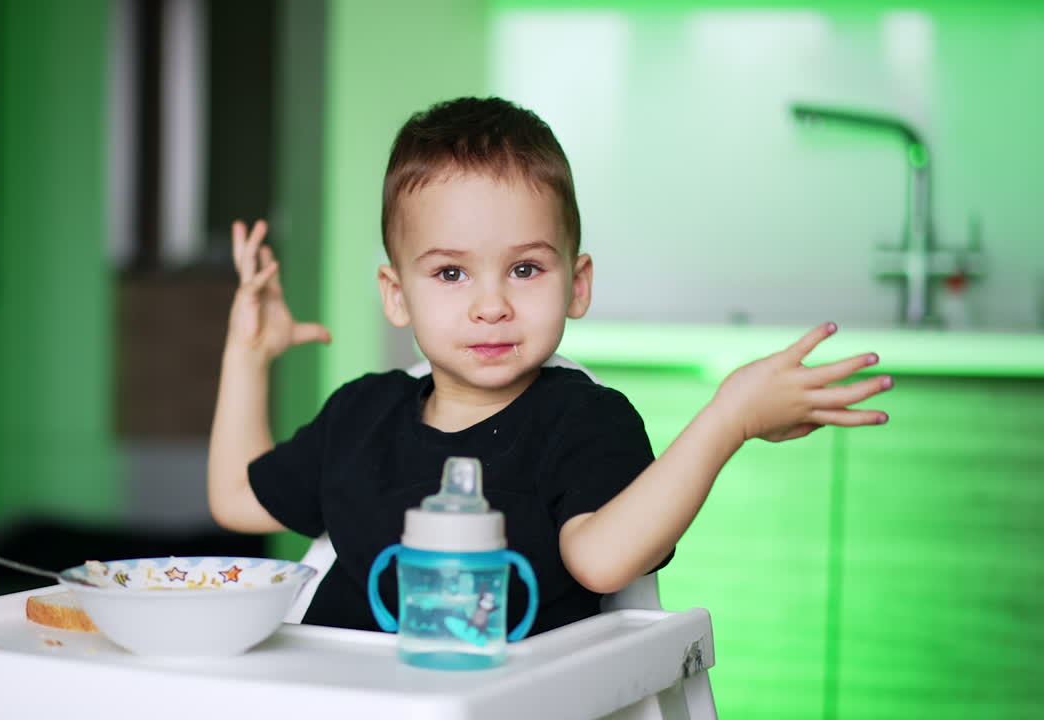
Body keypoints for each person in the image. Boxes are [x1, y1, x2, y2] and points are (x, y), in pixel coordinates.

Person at [207, 96, 892, 636]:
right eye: (450, 272)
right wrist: (248, 355)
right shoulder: (361, 415)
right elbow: (237, 500)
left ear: (578, 283)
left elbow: (601, 560)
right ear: (396, 295)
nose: (491, 305)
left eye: (526, 268)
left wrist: (727, 421)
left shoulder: (584, 419)